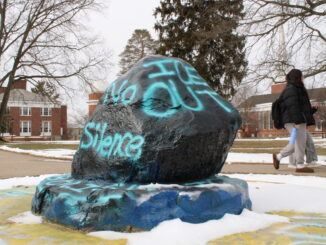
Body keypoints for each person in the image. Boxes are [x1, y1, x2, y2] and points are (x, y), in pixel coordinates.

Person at [272, 69, 315, 173]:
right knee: (300, 142)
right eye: (301, 76)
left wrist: (312, 110)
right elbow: (293, 106)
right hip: (294, 120)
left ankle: (278, 157)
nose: (303, 77)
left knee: (297, 142)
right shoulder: (292, 89)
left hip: (296, 119)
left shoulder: (297, 88)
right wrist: (297, 121)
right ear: (297, 77)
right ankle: (300, 165)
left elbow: (301, 107)